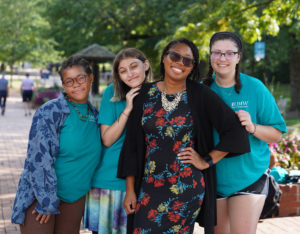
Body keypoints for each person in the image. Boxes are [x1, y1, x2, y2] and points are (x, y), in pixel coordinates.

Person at [117, 38, 251, 234]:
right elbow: (132, 146)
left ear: (192, 67)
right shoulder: (144, 94)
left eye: (187, 60)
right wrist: (130, 189)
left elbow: (235, 131)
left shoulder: (200, 95)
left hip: (185, 188)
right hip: (148, 187)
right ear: (164, 58)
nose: (180, 62)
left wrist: (207, 160)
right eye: (175, 56)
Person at [204, 31, 287, 234]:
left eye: (229, 53)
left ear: (238, 57)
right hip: (215, 178)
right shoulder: (202, 90)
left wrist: (253, 127)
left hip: (250, 175)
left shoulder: (255, 88)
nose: (222, 58)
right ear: (210, 56)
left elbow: (277, 134)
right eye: (217, 53)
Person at [11, 56, 102, 234]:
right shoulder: (50, 112)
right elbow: (38, 159)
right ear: (63, 85)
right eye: (69, 81)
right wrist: (46, 200)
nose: (75, 84)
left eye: (81, 78)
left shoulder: (97, 116)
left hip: (75, 197)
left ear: (91, 78)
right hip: (40, 198)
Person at [83, 48, 152, 234]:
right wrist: (128, 108)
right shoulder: (111, 93)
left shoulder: (157, 93)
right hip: (110, 179)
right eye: (123, 71)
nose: (129, 74)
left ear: (145, 65)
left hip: (145, 181)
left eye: (133, 67)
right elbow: (107, 139)